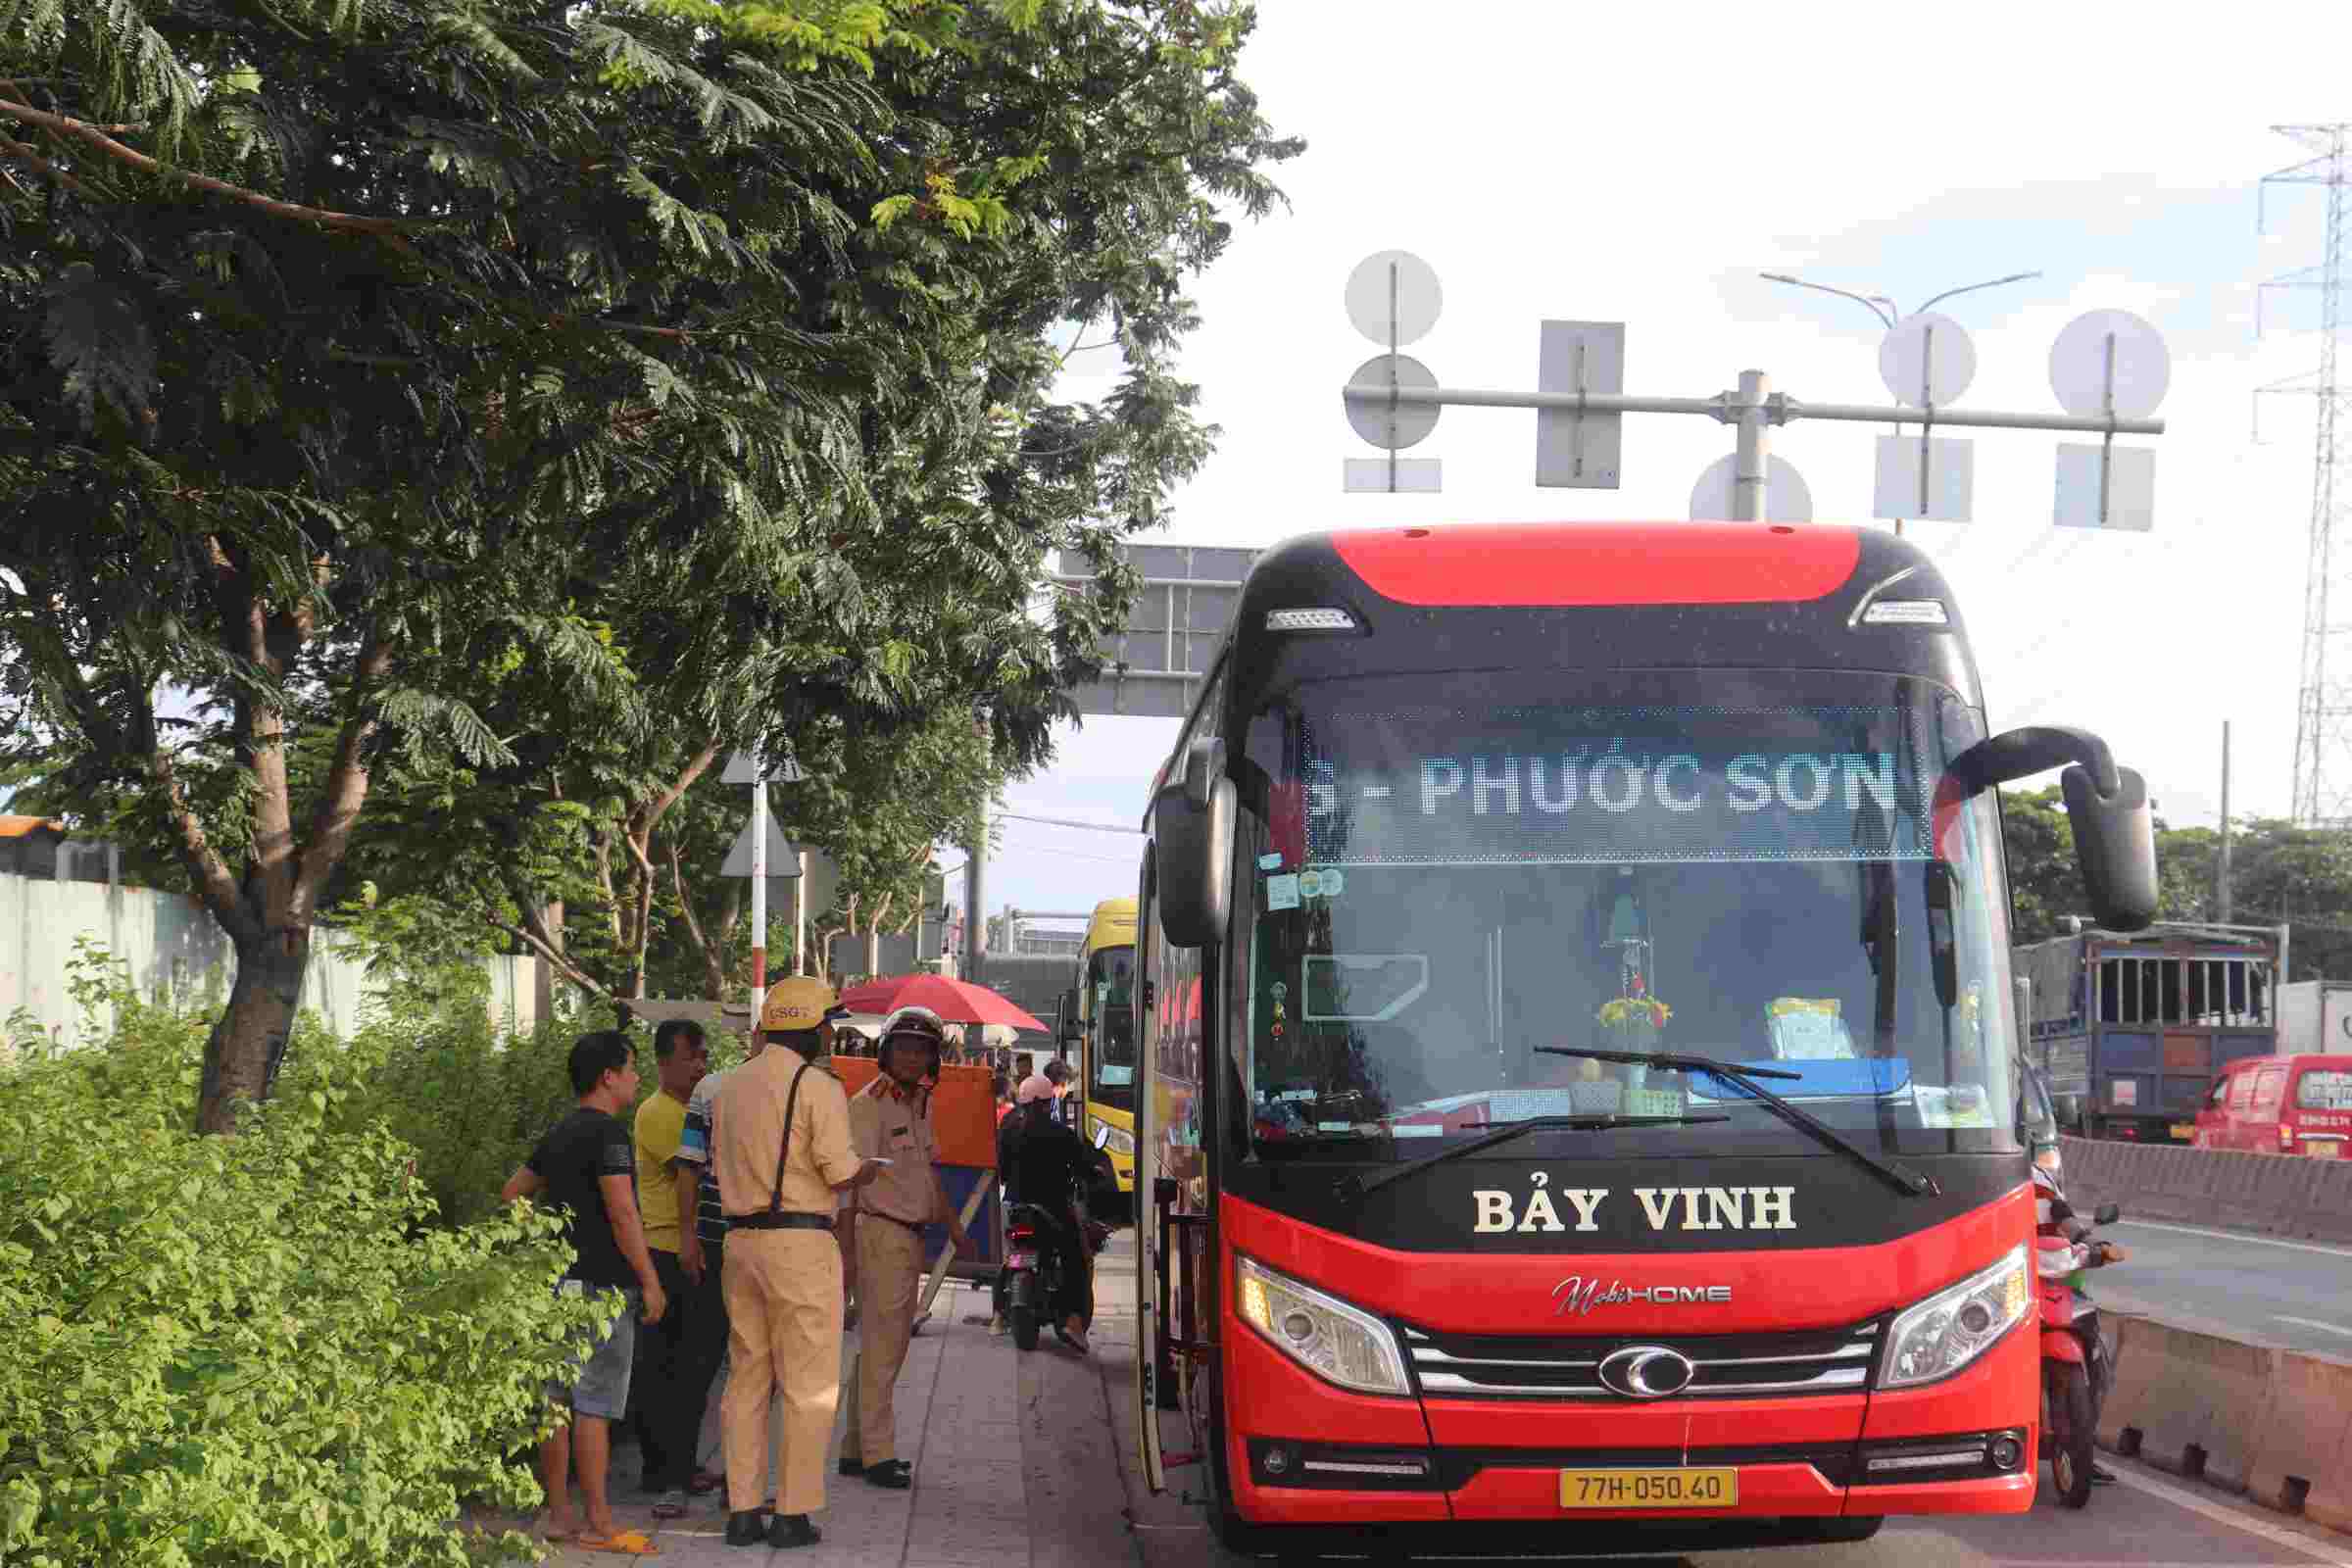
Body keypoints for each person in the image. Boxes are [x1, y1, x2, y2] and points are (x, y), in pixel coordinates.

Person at [713, 978, 885, 1551]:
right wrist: (867, 1171)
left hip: (739, 1244)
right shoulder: (817, 1086)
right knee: (809, 1385)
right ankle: (791, 1514)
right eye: (827, 1025)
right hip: (800, 1243)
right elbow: (837, 1171)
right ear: (811, 1030)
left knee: (747, 1379)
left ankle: (742, 1511)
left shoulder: (730, 1085)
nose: (831, 1033)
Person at [500, 1031, 669, 1556]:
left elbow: (511, 1195)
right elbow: (623, 1213)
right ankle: (599, 1522)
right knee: (594, 1405)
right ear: (608, 1077)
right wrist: (650, 1280)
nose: (638, 1078)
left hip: (558, 1285)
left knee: (556, 1401)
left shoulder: (560, 1134)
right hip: (602, 1290)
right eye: (632, 1068)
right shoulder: (610, 1137)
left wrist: (546, 1246)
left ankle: (559, 1516)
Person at [838, 1007, 969, 1489]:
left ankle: (857, 1447)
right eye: (904, 1047)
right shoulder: (866, 1105)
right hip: (880, 1232)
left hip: (910, 1236)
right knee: (884, 1347)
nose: (912, 1057)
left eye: (922, 1049)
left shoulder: (919, 1102)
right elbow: (848, 1183)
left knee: (878, 1346)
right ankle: (878, 1455)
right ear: (886, 1052)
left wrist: (953, 1224)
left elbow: (929, 1168)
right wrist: (847, 1251)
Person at [628, 1017, 709, 1518]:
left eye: (704, 1058)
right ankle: (661, 1470)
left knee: (689, 1365)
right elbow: (693, 1174)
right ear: (662, 1063)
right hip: (666, 1249)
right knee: (667, 1367)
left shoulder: (690, 1108)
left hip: (684, 1247)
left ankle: (679, 1464)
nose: (700, 1066)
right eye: (690, 1058)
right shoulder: (659, 1113)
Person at [672, 1017, 748, 1502]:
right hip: (720, 1244)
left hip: (766, 1248)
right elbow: (689, 1167)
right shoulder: (714, 1090)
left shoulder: (808, 1090)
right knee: (702, 1359)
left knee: (752, 1365)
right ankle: (681, 1470)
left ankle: (738, 1475)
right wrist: (689, 1237)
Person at [998, 1073, 1114, 1351]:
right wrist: (1094, 1174)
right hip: (1053, 1210)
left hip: (1015, 1207)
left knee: (1009, 1256)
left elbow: (1001, 1169)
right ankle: (1073, 1319)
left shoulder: (1007, 1127)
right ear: (1044, 1102)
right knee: (1076, 1256)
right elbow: (1084, 1167)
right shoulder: (1061, 1133)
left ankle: (998, 1314)